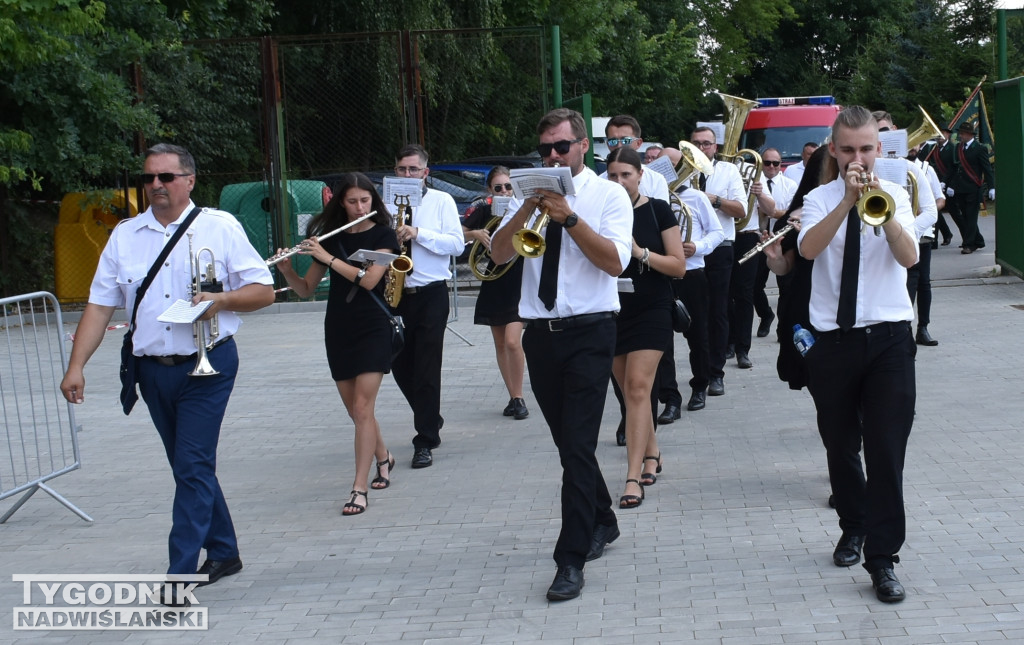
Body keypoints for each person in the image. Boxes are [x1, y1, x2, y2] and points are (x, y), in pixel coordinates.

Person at [59, 143, 275, 598]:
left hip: (209, 362)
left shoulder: (220, 226)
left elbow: (263, 291)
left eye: (166, 177)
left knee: (192, 464)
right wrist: (76, 366)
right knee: (188, 466)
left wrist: (222, 299)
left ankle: (180, 575)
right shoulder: (125, 235)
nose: (156, 185)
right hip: (151, 369)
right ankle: (224, 550)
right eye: (149, 178)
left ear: (189, 180)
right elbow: (100, 306)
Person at [491, 108, 632, 602]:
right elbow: (498, 254)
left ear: (581, 148)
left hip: (592, 330)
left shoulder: (608, 194)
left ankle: (569, 559)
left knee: (576, 445)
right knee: (568, 445)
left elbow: (615, 262)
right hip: (541, 333)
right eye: (544, 149)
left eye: (561, 147)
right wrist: (528, 210)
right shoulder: (527, 197)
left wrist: (568, 219)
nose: (552, 155)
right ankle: (603, 519)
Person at [798, 106, 918, 603]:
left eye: (866, 148)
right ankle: (853, 524)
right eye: (848, 149)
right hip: (834, 342)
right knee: (840, 443)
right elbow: (806, 251)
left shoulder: (894, 195)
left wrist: (880, 210)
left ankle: (884, 558)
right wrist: (847, 201)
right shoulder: (818, 198)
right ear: (834, 150)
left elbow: (909, 257)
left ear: (879, 148)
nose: (858, 157)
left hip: (889, 338)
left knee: (887, 452)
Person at [274, 173, 400, 516]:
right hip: (340, 327)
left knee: (362, 408)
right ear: (340, 203)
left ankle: (358, 489)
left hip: (374, 325)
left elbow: (370, 280)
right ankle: (384, 455)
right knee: (356, 412)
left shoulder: (384, 234)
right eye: (352, 201)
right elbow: (305, 290)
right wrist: (287, 270)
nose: (360, 207)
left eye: (365, 200)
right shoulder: (329, 237)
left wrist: (328, 258)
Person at [605, 146, 686, 508]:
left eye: (626, 175)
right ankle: (652, 452)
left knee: (638, 387)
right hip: (612, 309)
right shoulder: (603, 211)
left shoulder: (657, 209)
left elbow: (678, 266)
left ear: (640, 176)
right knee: (628, 391)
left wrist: (640, 254)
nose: (620, 182)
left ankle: (632, 477)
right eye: (613, 175)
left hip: (653, 308)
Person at [388, 144, 465, 469]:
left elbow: (457, 244)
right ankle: (429, 414)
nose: (407, 175)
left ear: (425, 173)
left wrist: (418, 233)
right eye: (402, 170)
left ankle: (425, 439)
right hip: (396, 292)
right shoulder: (384, 202)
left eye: (413, 170)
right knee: (397, 364)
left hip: (432, 292)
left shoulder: (441, 201)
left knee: (427, 366)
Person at [655, 153, 724, 420]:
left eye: (674, 165)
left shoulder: (695, 197)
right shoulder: (651, 198)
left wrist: (697, 247)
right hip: (660, 273)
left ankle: (700, 385)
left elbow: (717, 232)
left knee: (698, 335)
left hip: (692, 272)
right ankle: (670, 398)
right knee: (662, 341)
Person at [462, 166, 529, 420]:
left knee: (513, 340)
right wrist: (475, 233)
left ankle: (520, 395)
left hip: (519, 275)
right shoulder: (484, 210)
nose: (504, 191)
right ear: (490, 190)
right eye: (498, 187)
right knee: (500, 342)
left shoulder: (525, 208)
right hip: (496, 277)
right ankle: (514, 396)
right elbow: (457, 232)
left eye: (508, 186)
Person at [871, 110, 940, 347]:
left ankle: (920, 329)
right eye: (877, 133)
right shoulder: (867, 169)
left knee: (919, 284)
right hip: (877, 242)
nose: (882, 137)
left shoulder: (914, 168)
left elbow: (931, 211)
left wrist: (908, 230)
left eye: (885, 131)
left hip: (911, 240)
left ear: (894, 131)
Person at [690, 127, 746, 396]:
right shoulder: (683, 171)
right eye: (696, 143)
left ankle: (715, 373)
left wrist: (715, 200)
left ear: (715, 147)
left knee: (717, 311)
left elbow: (741, 210)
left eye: (707, 144)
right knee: (694, 314)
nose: (702, 148)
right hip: (688, 249)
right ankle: (700, 371)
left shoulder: (728, 171)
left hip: (720, 246)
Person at [753, 147, 797, 339]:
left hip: (781, 239)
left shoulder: (790, 185)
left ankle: (782, 329)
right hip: (758, 238)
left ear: (781, 165)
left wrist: (772, 211)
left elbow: (791, 214)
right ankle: (766, 315)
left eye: (776, 163)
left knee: (786, 289)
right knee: (754, 286)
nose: (771, 167)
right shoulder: (753, 184)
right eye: (767, 163)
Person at [945, 120, 995, 254]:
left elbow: (987, 169)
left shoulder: (979, 148)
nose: (960, 136)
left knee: (971, 217)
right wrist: (950, 185)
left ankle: (969, 244)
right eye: (960, 133)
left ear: (970, 134)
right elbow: (956, 169)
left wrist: (991, 187)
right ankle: (978, 241)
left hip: (973, 188)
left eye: (963, 133)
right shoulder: (958, 148)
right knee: (966, 216)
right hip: (960, 188)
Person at [600, 115, 670, 202]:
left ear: (638, 143)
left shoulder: (656, 180)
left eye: (626, 140)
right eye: (613, 141)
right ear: (607, 144)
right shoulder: (599, 182)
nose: (619, 146)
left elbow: (661, 214)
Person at [920, 127, 955, 246]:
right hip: (930, 180)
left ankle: (936, 238)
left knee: (934, 210)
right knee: (935, 211)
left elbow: (952, 166)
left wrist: (945, 181)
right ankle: (945, 234)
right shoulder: (932, 148)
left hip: (940, 182)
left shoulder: (950, 148)